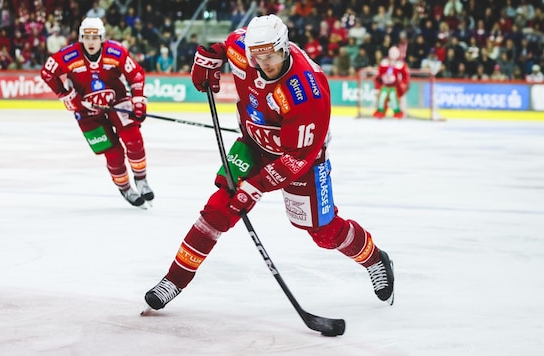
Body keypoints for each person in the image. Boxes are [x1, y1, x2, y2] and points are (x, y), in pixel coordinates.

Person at [144, 14, 395, 312]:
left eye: (272, 55)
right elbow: (226, 45)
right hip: (253, 145)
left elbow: (297, 158)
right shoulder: (245, 50)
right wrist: (208, 57)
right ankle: (175, 279)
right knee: (217, 209)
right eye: (258, 56)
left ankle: (374, 258)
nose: (265, 63)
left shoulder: (306, 91)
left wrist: (256, 186)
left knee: (321, 231)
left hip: (302, 159)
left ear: (285, 47)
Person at [40, 17, 154, 208]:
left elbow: (136, 74)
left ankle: (141, 180)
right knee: (113, 153)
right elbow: (47, 72)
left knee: (133, 137)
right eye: (87, 37)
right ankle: (125, 188)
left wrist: (139, 102)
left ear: (102, 38)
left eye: (95, 37)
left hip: (118, 101)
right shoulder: (68, 56)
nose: (91, 41)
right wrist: (67, 95)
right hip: (85, 111)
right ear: (80, 38)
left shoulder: (115, 52)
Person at [373, 46, 410, 119]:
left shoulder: (400, 64)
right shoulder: (384, 63)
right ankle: (380, 112)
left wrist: (403, 84)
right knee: (381, 98)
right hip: (384, 86)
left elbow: (405, 76)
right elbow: (378, 75)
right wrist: (377, 85)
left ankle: (397, 113)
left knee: (394, 99)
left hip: (395, 87)